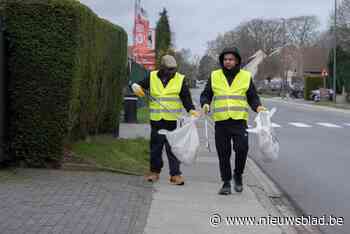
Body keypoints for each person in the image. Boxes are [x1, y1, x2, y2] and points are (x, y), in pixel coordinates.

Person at [200, 47, 266, 195]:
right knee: (224, 153)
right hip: (221, 122)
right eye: (225, 59)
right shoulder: (215, 76)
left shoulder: (245, 76)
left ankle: (238, 174)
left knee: (242, 149)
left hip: (239, 121)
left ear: (236, 61)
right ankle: (226, 183)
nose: (228, 62)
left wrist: (258, 107)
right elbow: (206, 94)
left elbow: (252, 97)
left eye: (231, 59)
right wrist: (205, 103)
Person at [131, 54, 199, 185]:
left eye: (174, 69)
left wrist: (191, 110)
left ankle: (175, 175)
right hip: (156, 120)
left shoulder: (180, 79)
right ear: (162, 68)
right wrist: (135, 87)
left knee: (173, 148)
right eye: (169, 69)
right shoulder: (152, 77)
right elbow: (139, 86)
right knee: (155, 148)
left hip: (172, 121)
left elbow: (186, 98)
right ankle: (154, 172)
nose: (172, 72)